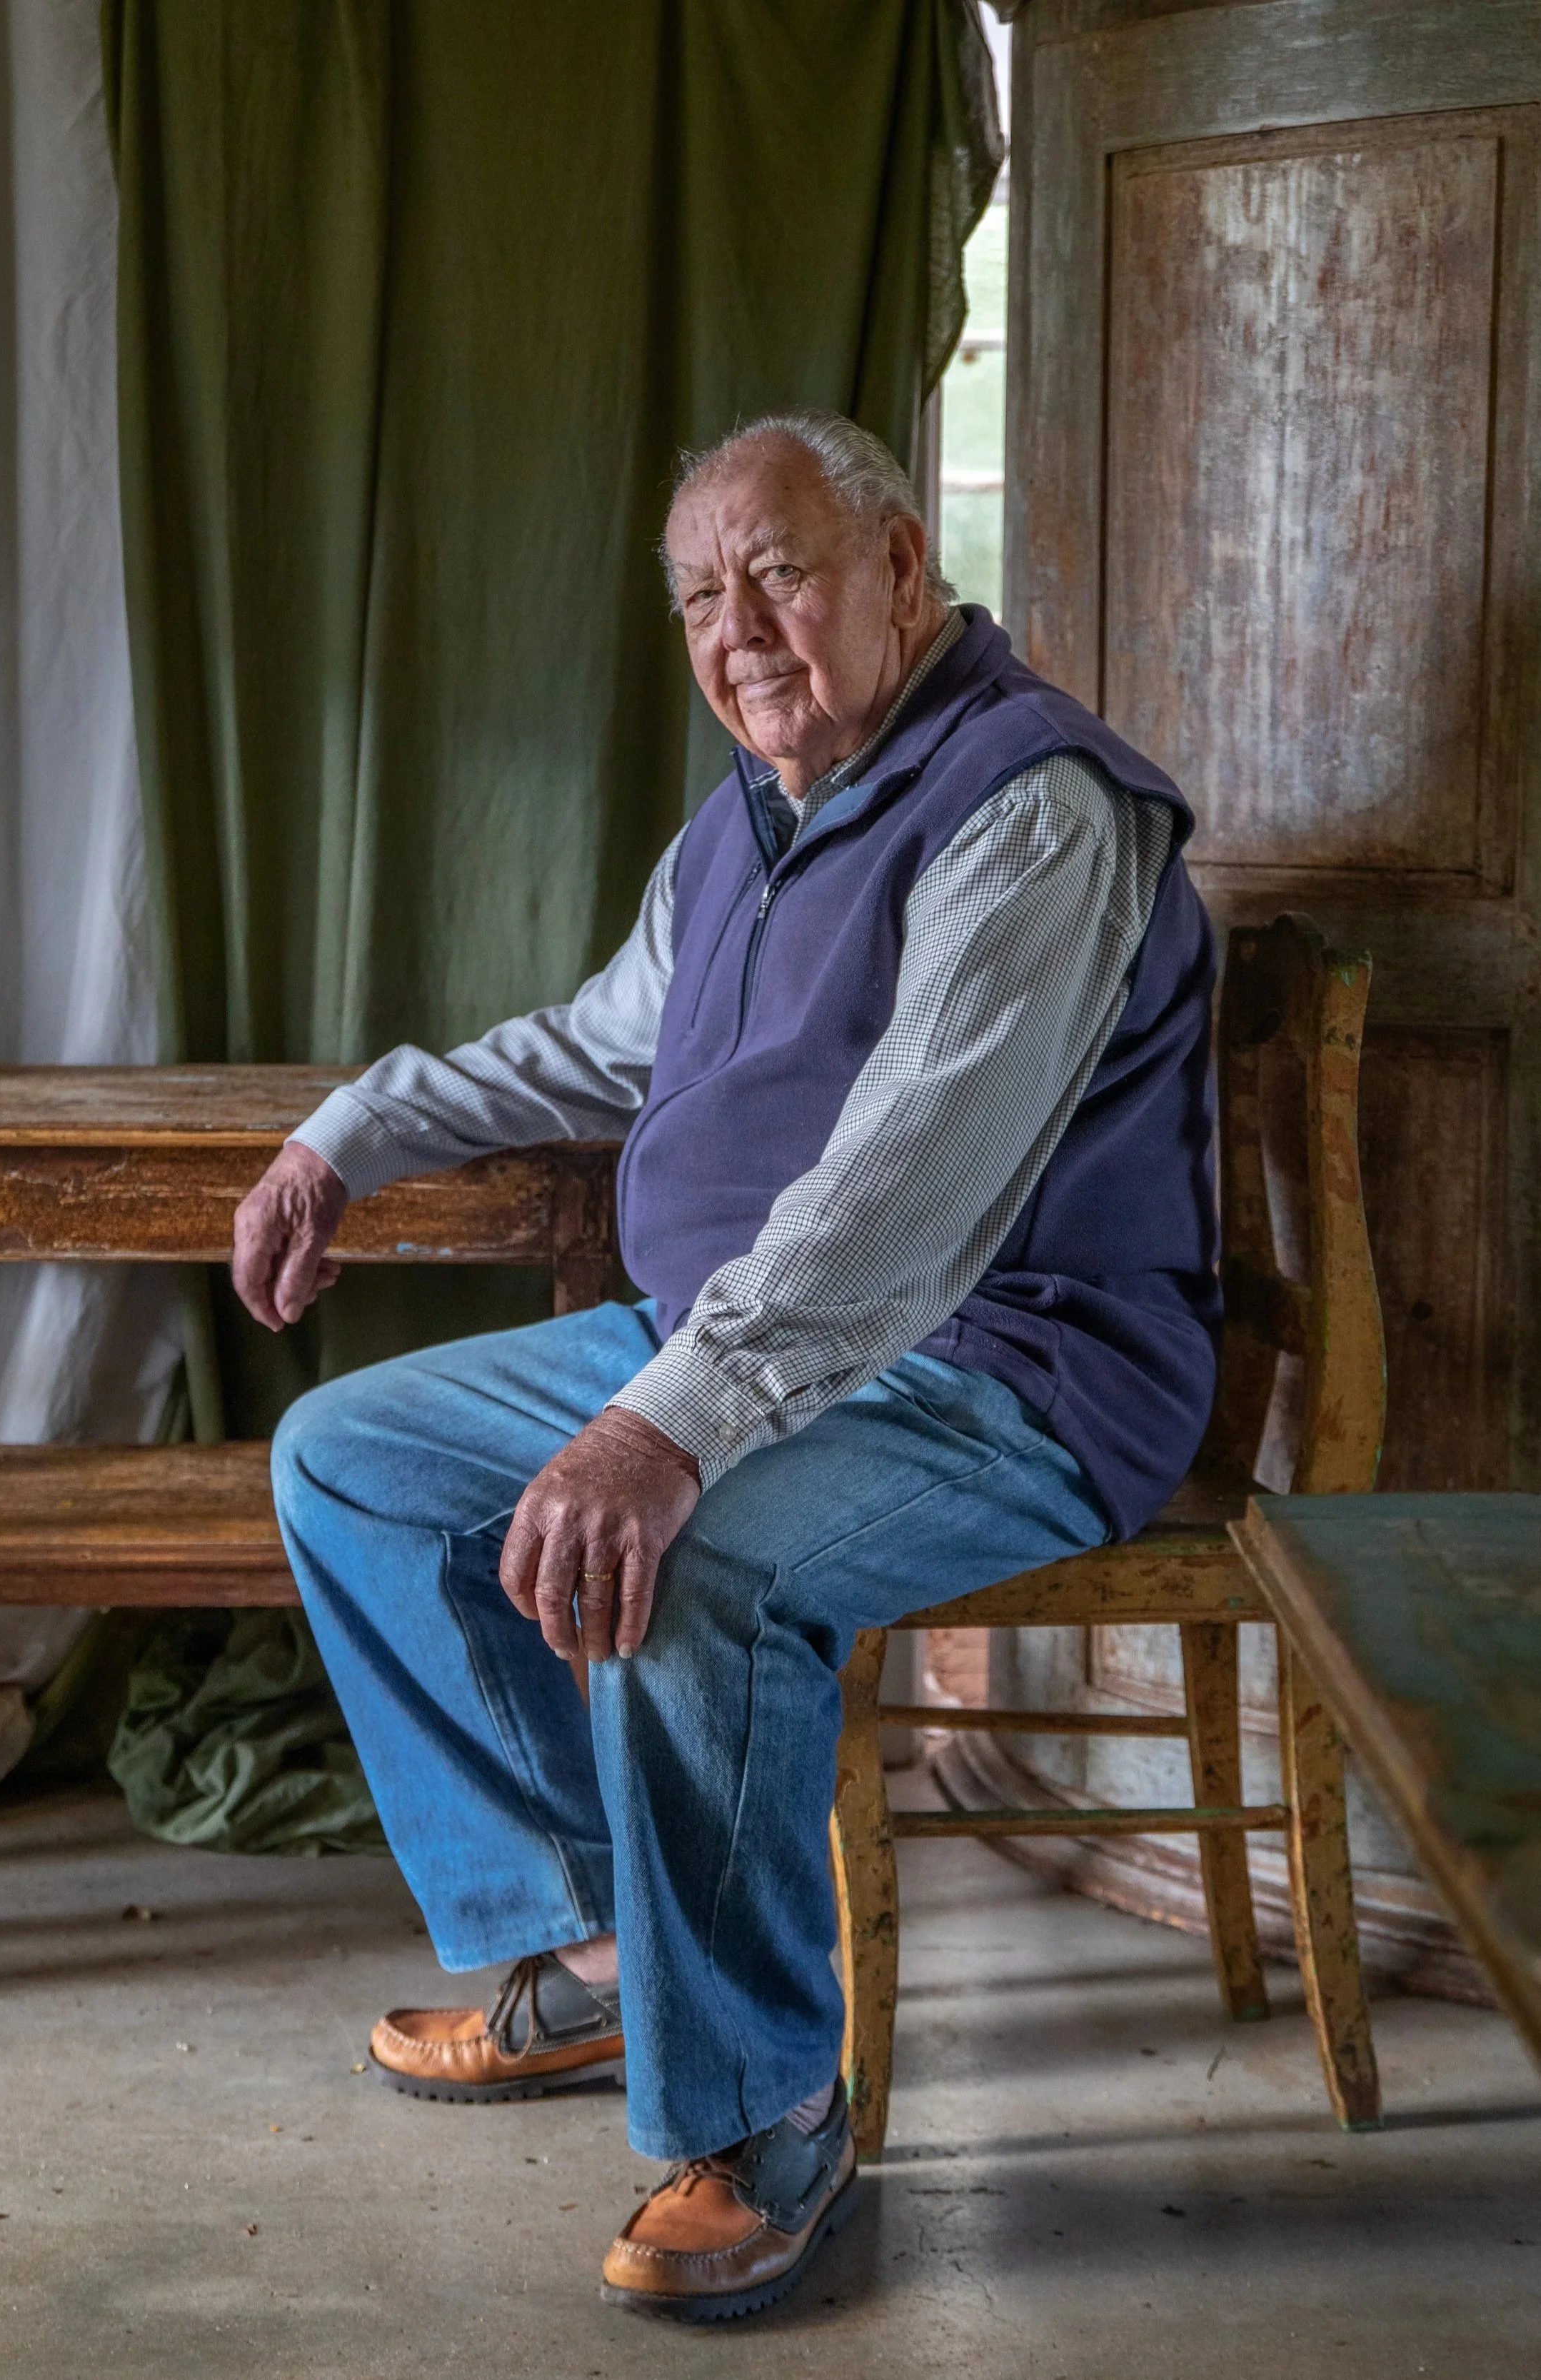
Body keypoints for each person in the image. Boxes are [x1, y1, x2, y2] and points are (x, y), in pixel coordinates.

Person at [234, 409, 1220, 2323]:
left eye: (777, 569)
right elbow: (606, 1044)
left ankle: (766, 2110)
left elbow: (902, 1196)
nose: (737, 625)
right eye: (699, 590)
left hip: (1006, 1368)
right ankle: (604, 1959)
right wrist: (358, 1124)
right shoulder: (748, 818)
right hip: (742, 1342)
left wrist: (665, 1421)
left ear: (900, 572)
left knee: (695, 1562)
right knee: (351, 1457)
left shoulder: (1037, 805)